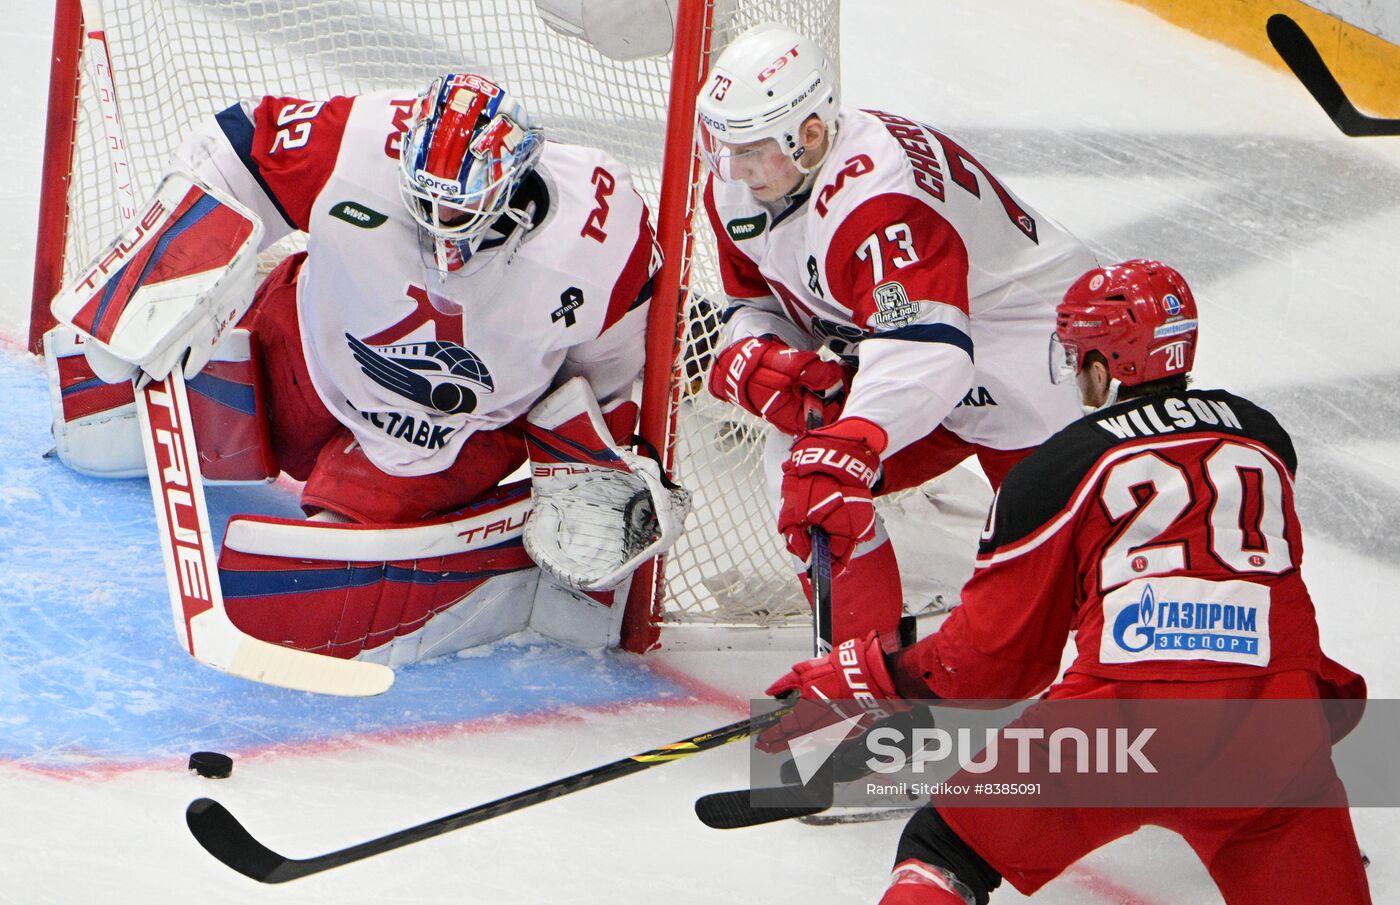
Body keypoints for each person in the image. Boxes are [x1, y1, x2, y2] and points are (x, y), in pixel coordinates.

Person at [762, 259, 1372, 905]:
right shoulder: (1264, 437)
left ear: (1105, 366)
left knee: (943, 850)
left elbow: (993, 664)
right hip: (1275, 733)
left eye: (1079, 355)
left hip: (1117, 723)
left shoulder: (1056, 469)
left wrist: (868, 673)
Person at [52, 72, 661, 658]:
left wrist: (593, 459)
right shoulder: (360, 138)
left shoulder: (601, 231)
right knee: (237, 386)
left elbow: (607, 365)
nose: (435, 225)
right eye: (421, 197)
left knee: (340, 531)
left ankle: (364, 517)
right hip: (312, 355)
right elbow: (230, 153)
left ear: (510, 186)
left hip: (448, 433)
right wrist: (165, 271)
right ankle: (219, 394)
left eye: (455, 210)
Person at [695, 23, 1097, 644]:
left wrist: (854, 439)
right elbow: (755, 301)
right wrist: (758, 353)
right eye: (724, 146)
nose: (735, 168)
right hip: (922, 351)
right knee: (806, 477)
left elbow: (926, 351)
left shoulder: (875, 198)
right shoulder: (740, 187)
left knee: (1062, 578)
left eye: (751, 149)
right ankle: (862, 665)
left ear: (809, 135)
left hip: (1031, 353)